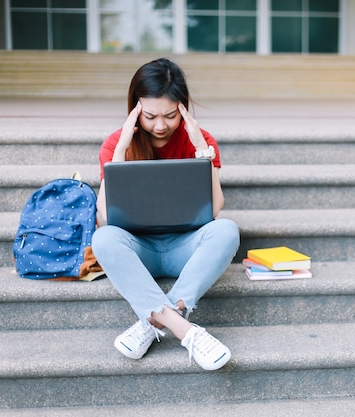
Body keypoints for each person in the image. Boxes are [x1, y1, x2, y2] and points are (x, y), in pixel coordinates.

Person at [92, 58, 240, 371]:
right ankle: (185, 330)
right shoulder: (116, 144)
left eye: (170, 116)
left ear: (183, 108)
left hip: (184, 248)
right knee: (104, 238)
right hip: (140, 250)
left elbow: (214, 209)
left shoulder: (202, 142)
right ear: (134, 110)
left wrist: (203, 151)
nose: (160, 126)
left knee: (226, 230)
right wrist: (121, 151)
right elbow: (106, 215)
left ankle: (151, 324)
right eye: (149, 116)